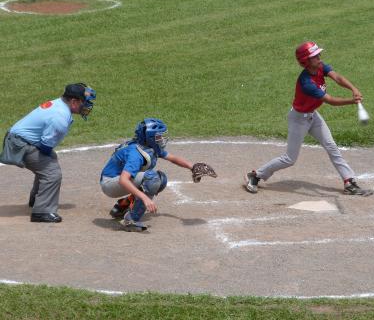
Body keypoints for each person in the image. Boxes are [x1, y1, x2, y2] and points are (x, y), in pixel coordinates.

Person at [245, 41, 373, 196]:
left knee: (331, 146)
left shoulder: (320, 67)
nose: (319, 57)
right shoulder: (306, 83)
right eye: (315, 56)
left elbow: (337, 77)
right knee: (289, 159)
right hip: (298, 119)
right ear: (306, 61)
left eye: (318, 54)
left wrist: (354, 89)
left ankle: (349, 181)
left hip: (313, 116)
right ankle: (256, 175)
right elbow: (330, 100)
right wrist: (351, 101)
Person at [0, 83, 96, 222]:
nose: (87, 106)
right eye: (85, 102)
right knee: (52, 172)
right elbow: (45, 146)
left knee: (50, 159)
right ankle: (42, 212)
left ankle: (37, 199)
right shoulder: (60, 117)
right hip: (18, 145)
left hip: (18, 139)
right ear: (74, 101)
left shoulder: (59, 104)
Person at [100, 118, 217, 232]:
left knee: (161, 179)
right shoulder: (135, 154)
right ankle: (130, 220)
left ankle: (123, 205)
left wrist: (192, 167)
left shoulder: (148, 146)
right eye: (158, 136)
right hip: (110, 184)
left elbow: (173, 158)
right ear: (150, 138)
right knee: (152, 178)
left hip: (118, 181)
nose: (161, 139)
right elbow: (123, 180)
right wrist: (144, 198)